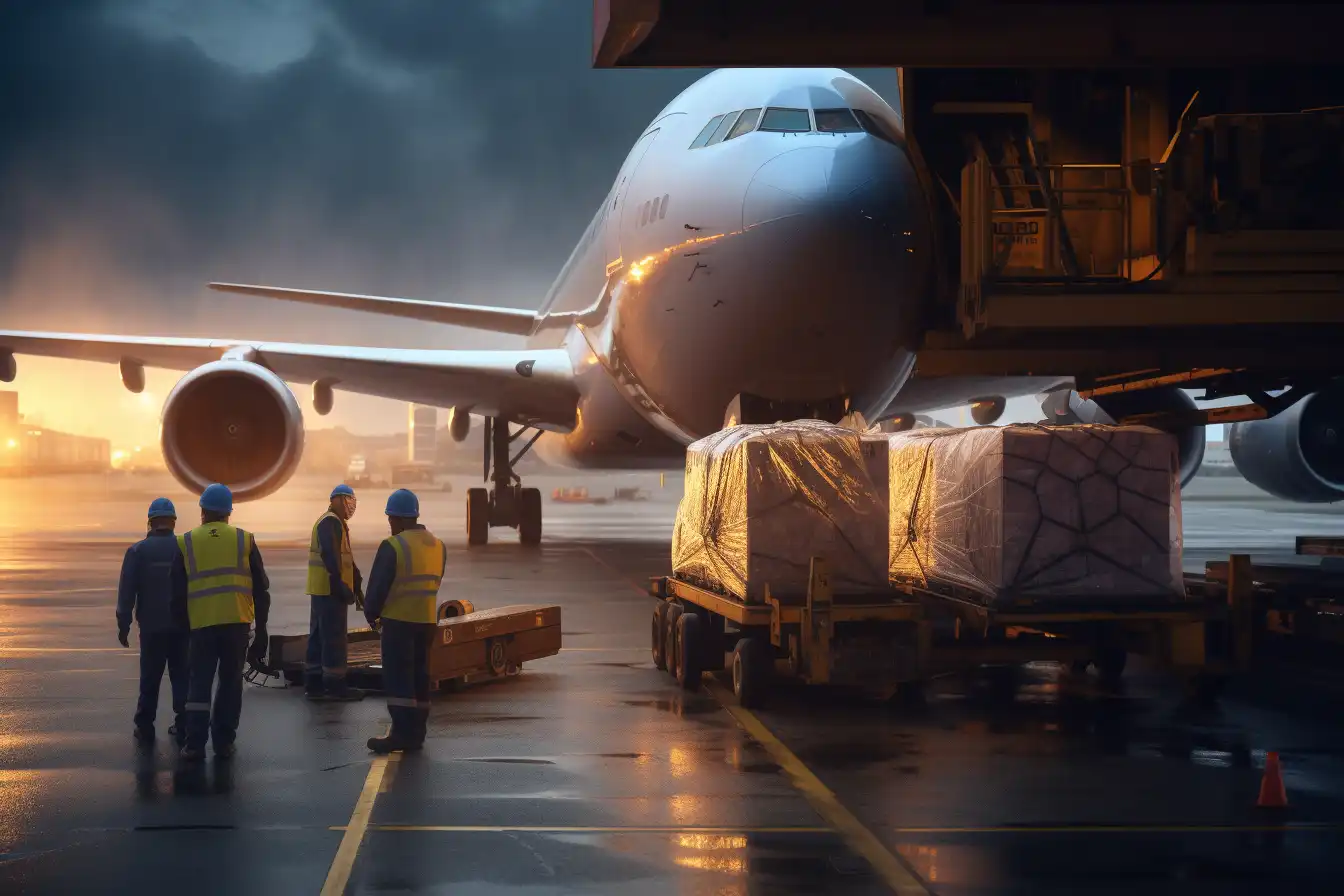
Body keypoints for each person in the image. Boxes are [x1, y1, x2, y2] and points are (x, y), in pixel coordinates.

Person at [177, 483, 271, 761]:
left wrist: (183, 630)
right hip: (236, 625)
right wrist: (262, 630)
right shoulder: (244, 540)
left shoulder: (186, 542)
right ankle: (224, 741)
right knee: (230, 685)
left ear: (202, 511)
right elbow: (261, 589)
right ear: (229, 513)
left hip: (202, 626)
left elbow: (176, 594)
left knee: (199, 686)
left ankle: (194, 744)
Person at [362, 489, 445, 754]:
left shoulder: (393, 546)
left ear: (396, 518)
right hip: (426, 621)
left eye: (390, 519)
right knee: (420, 677)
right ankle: (417, 732)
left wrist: (371, 613)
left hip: (399, 621)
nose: (390, 524)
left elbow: (377, 587)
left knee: (399, 678)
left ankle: (400, 734)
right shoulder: (437, 545)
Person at [116, 497, 190, 745]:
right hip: (182, 627)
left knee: (150, 677)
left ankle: (144, 725)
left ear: (150, 522)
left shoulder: (137, 551)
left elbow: (127, 591)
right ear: (173, 522)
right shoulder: (185, 549)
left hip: (151, 627)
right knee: (181, 676)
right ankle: (183, 724)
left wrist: (123, 624)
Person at [304, 484, 365, 701]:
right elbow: (331, 556)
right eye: (348, 500)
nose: (351, 505)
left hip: (323, 589)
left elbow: (343, 556)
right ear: (336, 500)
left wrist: (356, 580)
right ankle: (335, 685)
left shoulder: (335, 523)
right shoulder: (330, 522)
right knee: (334, 638)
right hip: (330, 590)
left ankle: (314, 683)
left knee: (319, 636)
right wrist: (340, 585)